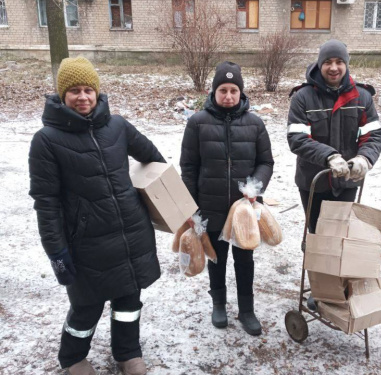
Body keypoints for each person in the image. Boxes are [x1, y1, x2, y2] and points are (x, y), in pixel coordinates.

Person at [29, 56, 165, 375]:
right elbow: (45, 203)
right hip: (86, 244)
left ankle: (128, 352)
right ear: (62, 95)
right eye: (74, 90)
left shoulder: (117, 126)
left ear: (97, 92)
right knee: (86, 308)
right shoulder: (46, 141)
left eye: (89, 89)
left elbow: (154, 161)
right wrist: (57, 254)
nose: (83, 97)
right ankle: (73, 357)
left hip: (131, 234)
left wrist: (175, 207)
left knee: (129, 302)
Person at [287, 39, 381, 308]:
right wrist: (329, 156)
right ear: (320, 64)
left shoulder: (361, 97)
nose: (333, 67)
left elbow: (373, 134)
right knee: (318, 237)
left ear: (346, 64)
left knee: (342, 237)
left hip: (348, 181)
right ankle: (320, 290)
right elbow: (297, 139)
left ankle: (338, 288)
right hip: (313, 182)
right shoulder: (303, 97)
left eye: (339, 62)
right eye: (328, 62)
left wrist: (365, 157)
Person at [180, 61, 274, 336]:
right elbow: (189, 167)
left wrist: (255, 186)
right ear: (214, 91)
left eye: (234, 90)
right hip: (210, 206)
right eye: (223, 90)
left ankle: (247, 310)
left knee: (245, 260)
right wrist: (191, 207)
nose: (229, 96)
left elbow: (266, 161)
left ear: (241, 93)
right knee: (216, 258)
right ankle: (218, 303)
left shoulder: (255, 124)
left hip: (245, 209)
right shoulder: (197, 123)